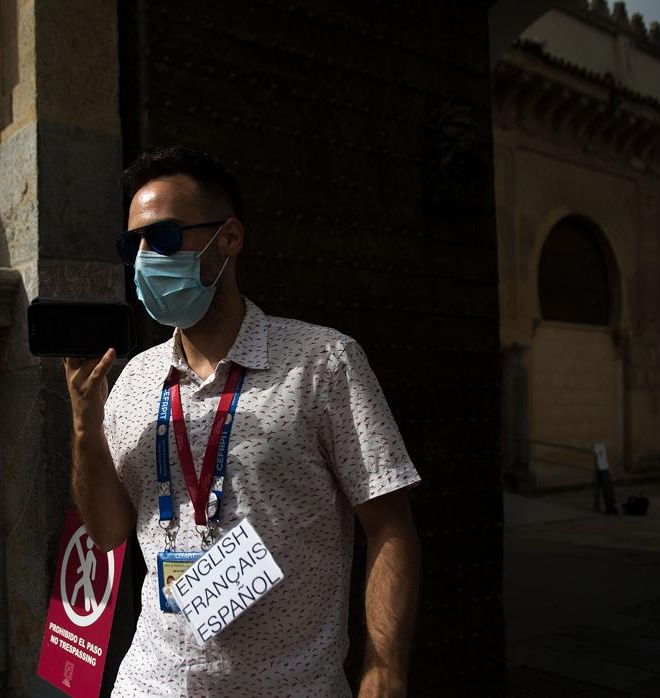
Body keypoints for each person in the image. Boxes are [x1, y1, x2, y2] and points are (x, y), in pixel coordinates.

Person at [62, 146, 422, 697]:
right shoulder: (133, 379)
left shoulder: (323, 362)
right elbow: (108, 532)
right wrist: (85, 424)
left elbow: (390, 525)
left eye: (162, 237)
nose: (144, 258)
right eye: (132, 244)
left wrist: (385, 669)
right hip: (151, 684)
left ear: (228, 238)